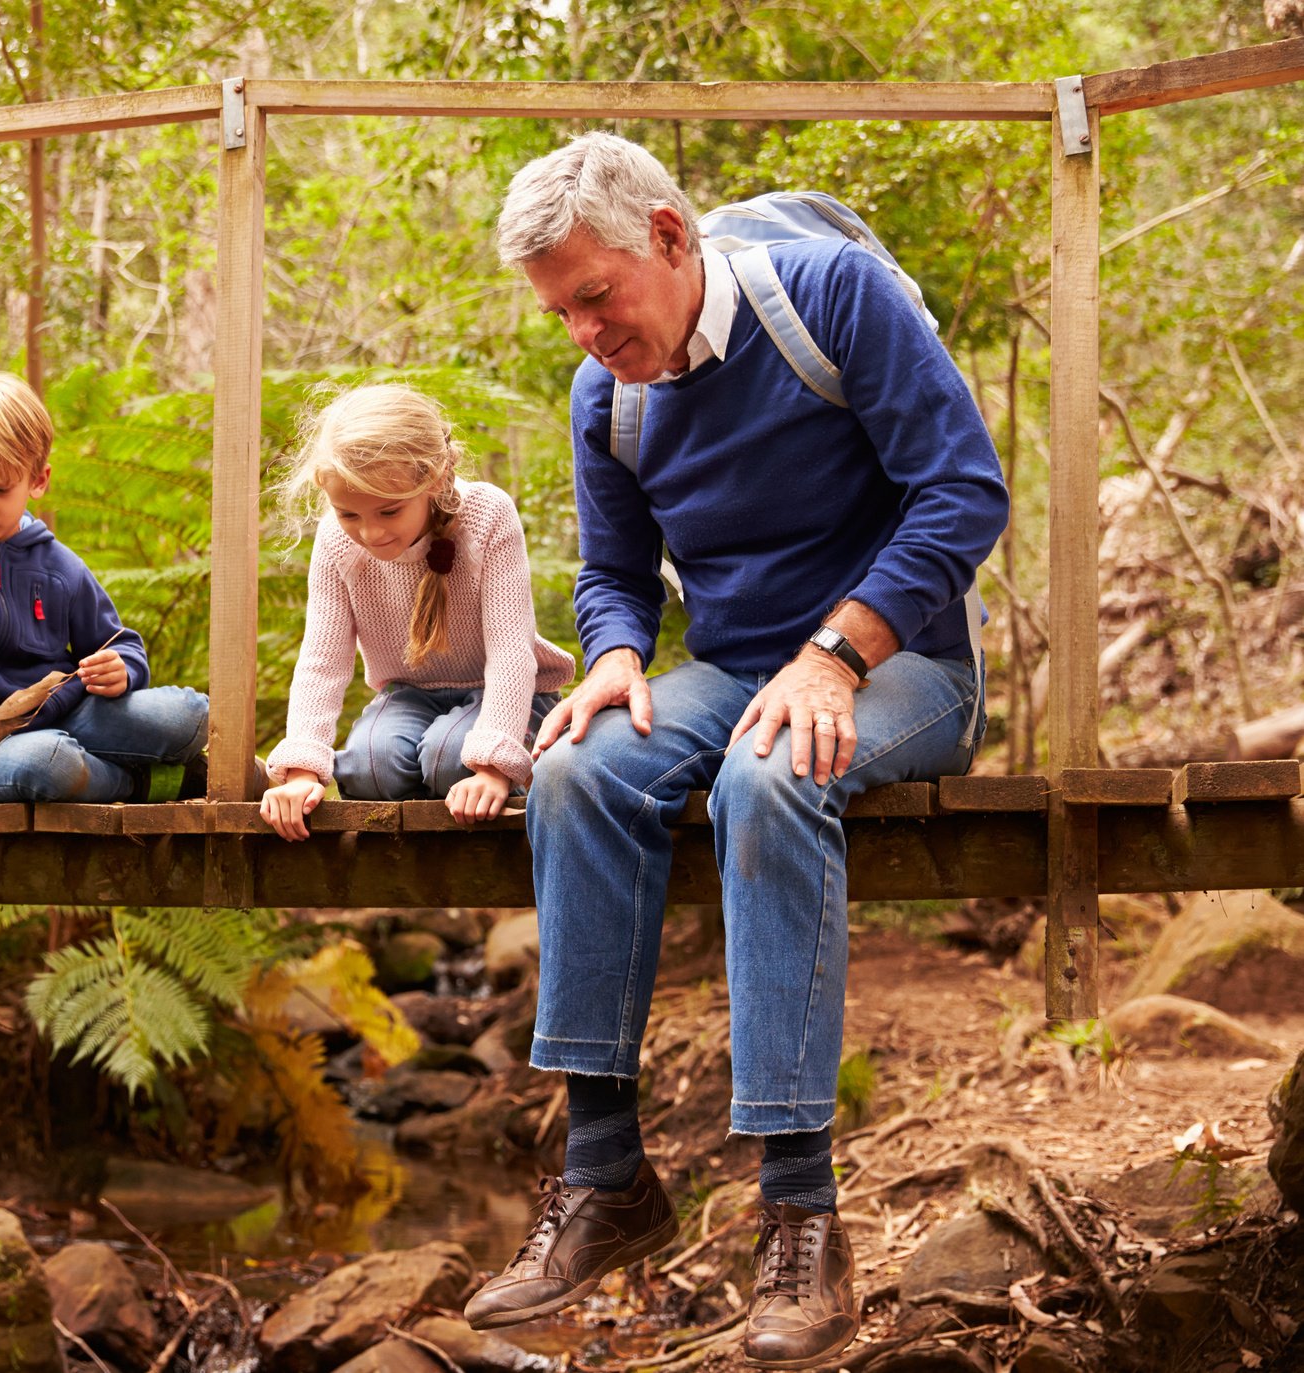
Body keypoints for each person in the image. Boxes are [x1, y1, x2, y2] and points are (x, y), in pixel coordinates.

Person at [462, 133, 1009, 1370]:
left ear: (667, 235)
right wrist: (609, 655)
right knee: (575, 769)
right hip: (730, 671)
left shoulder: (830, 298)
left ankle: (800, 1218)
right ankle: (604, 1172)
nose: (584, 334)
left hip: (899, 664)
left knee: (774, 773)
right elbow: (612, 574)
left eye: (594, 299)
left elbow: (961, 491)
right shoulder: (607, 390)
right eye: (559, 314)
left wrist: (836, 654)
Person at [0, 371, 208, 814]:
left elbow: (116, 642)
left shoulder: (56, 562)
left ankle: (138, 770)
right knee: (49, 761)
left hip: (69, 712)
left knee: (191, 714)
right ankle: (149, 782)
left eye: (0, 489)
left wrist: (122, 668)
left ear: (38, 480)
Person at [259, 384, 574, 839]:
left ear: (437, 478)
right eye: (349, 514)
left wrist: (493, 766)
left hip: (503, 694)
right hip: (409, 693)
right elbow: (321, 662)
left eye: (389, 511)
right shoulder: (336, 540)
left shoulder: (487, 516)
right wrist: (303, 769)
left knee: (452, 760)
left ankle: (512, 766)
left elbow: (510, 652)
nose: (369, 532)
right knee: (369, 768)